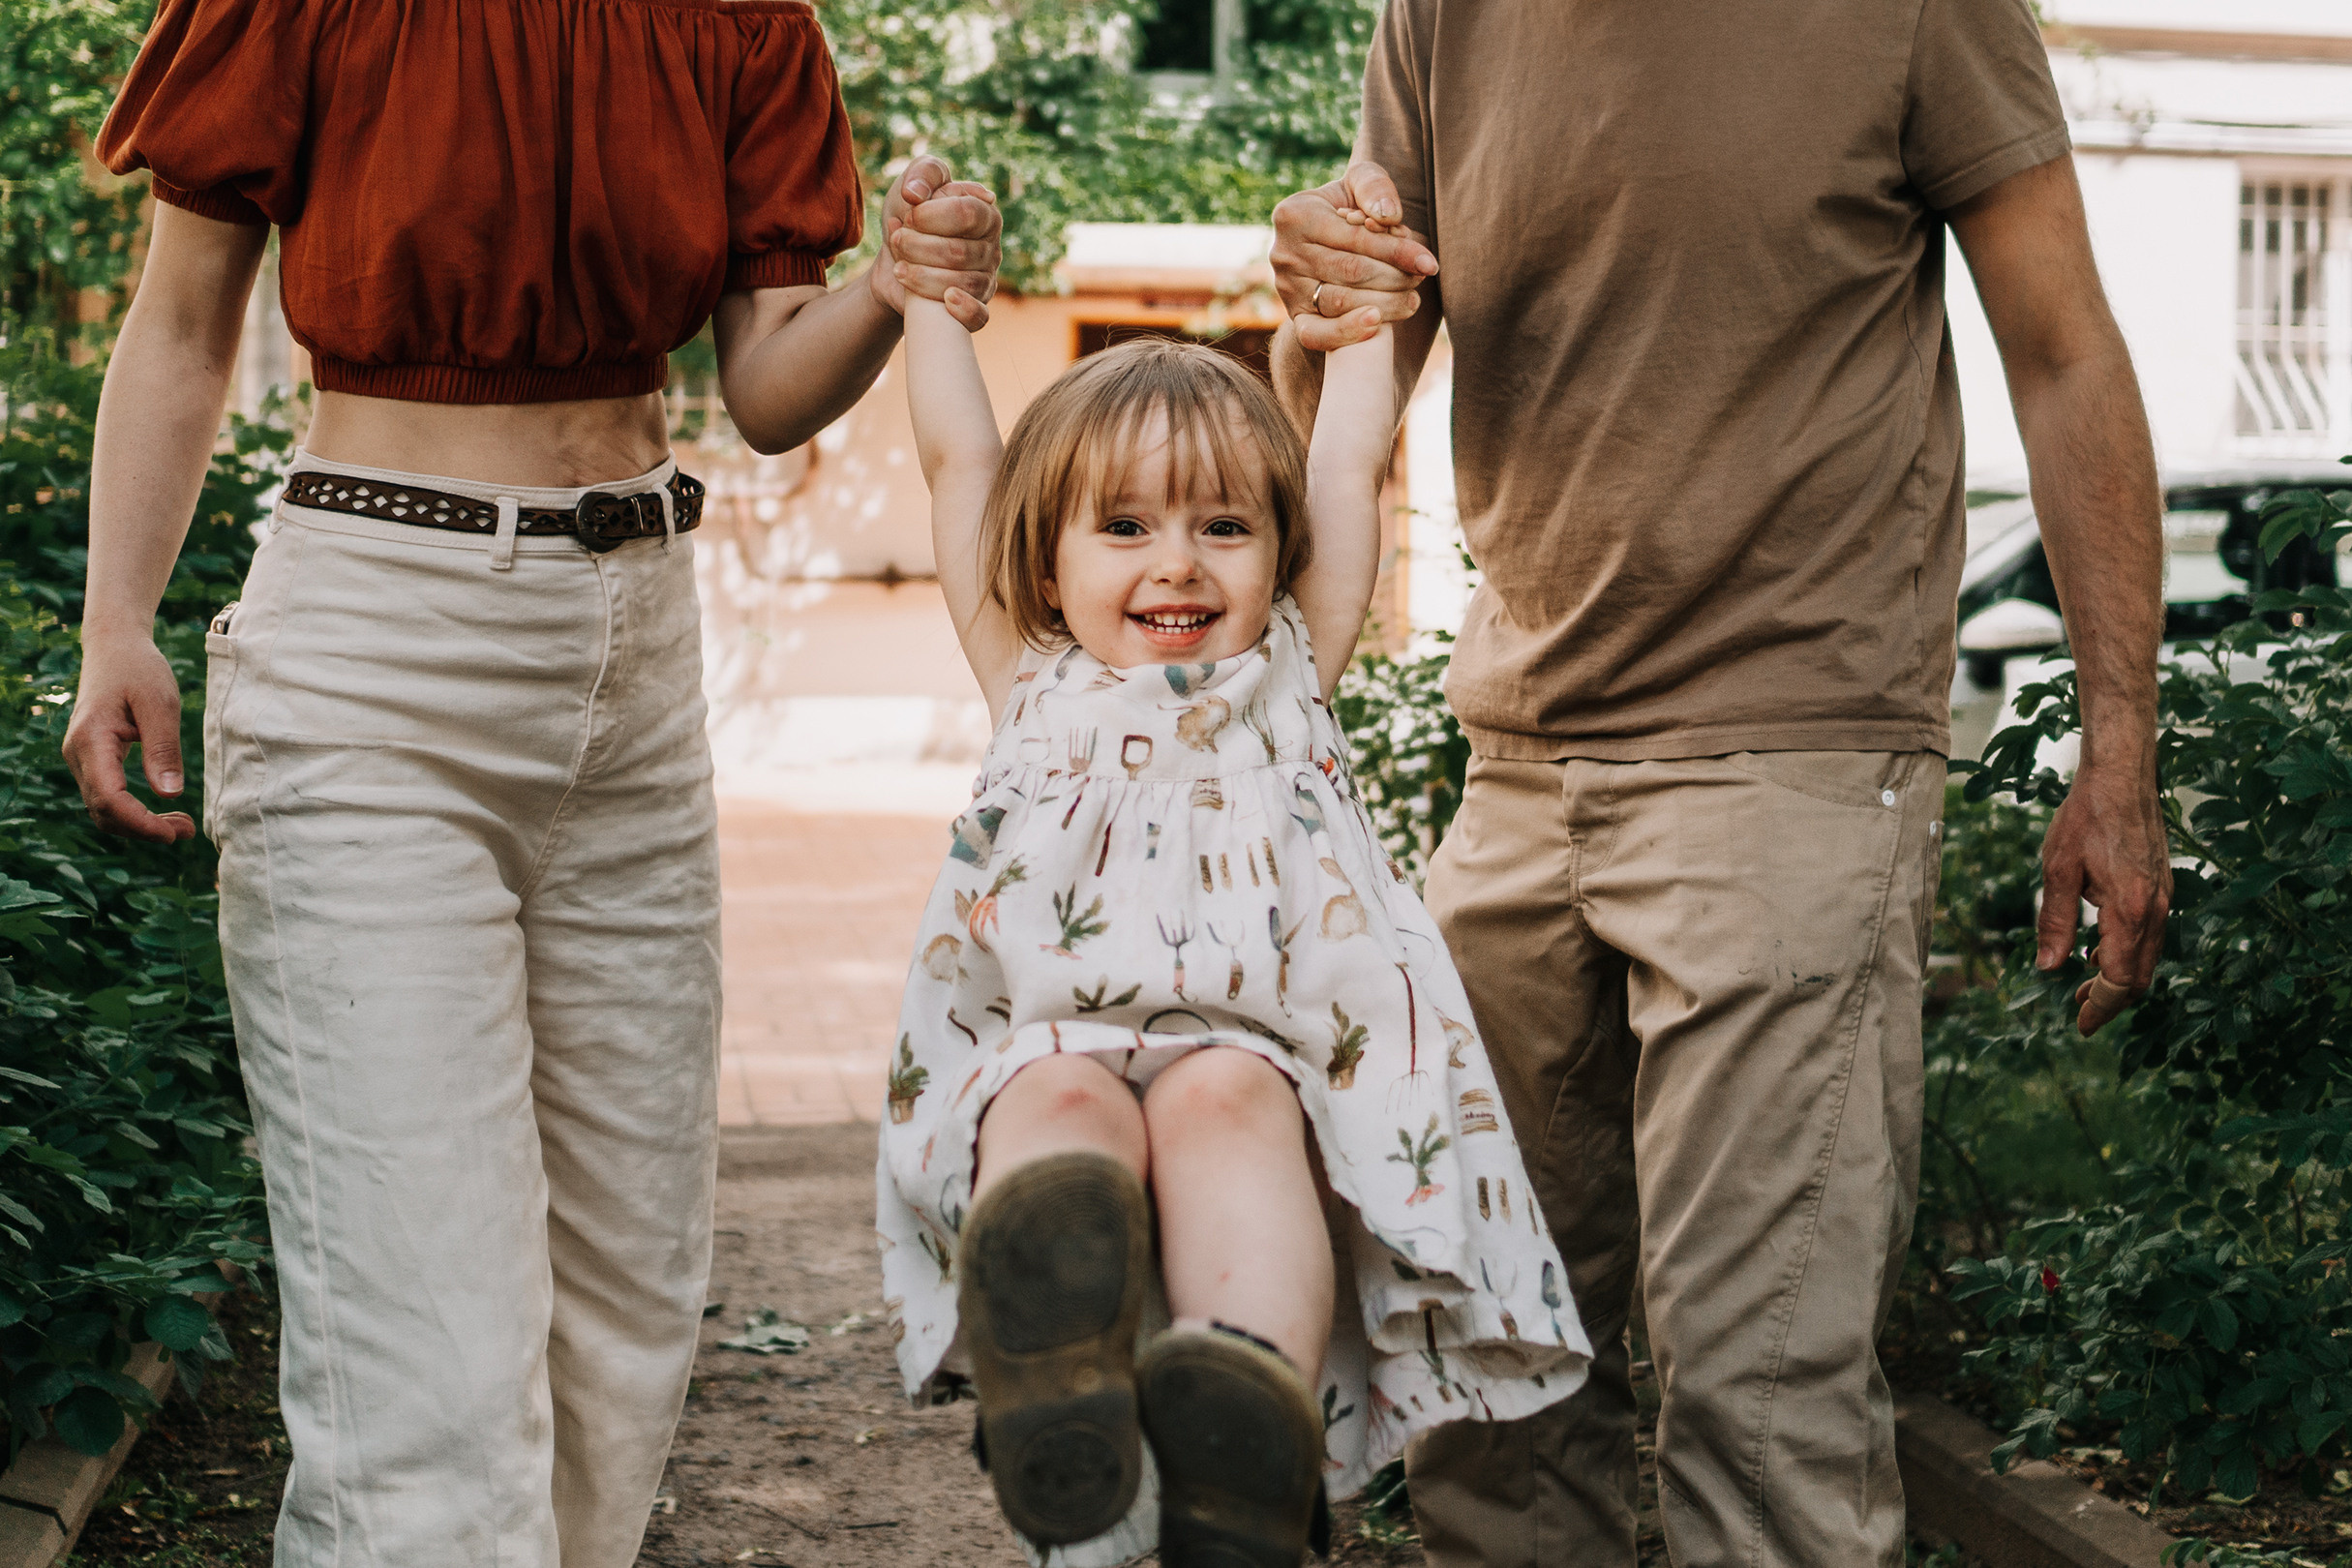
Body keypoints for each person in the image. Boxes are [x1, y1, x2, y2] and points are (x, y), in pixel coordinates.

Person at [66, 3, 1001, 1563]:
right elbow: (177, 322)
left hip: (632, 658)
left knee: (621, 1326)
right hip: (376, 656)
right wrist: (117, 619)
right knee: (423, 1355)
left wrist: (893, 290)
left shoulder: (743, 24)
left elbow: (764, 387)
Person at [1265, 2, 2173, 1564]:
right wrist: (1310, 304)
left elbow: (2063, 346)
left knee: (1757, 1409)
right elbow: (1349, 374)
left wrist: (2117, 756)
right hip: (1518, 763)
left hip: (1791, 754)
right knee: (1486, 1392)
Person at [873, 292, 1590, 1568]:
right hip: (1054, 1046)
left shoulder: (1287, 675)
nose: (1179, 564)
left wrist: (1365, 325)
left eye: (1222, 526)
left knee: (1226, 1104)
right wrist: (930, 301)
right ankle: (1060, 1374)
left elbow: (1349, 465)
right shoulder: (1029, 677)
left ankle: (1244, 1441)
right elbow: (958, 461)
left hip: (1244, 1048)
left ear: (1276, 549)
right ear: (1044, 561)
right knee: (1053, 1118)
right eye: (1125, 527)